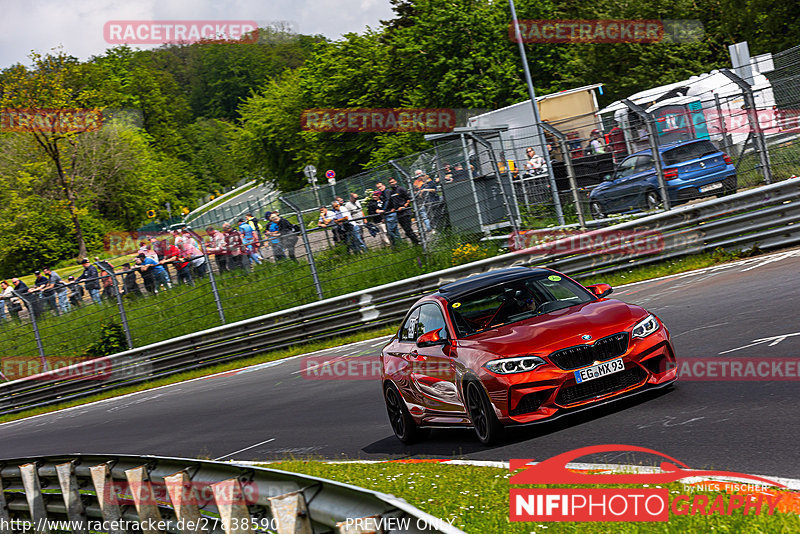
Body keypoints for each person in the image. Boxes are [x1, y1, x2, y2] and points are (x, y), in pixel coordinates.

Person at [385, 178, 420, 246]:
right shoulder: (391, 192)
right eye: (390, 183)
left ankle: (417, 242)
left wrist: (404, 206)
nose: (392, 183)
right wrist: (390, 209)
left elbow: (408, 199)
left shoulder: (401, 189)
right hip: (398, 213)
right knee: (406, 230)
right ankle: (415, 242)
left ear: (396, 181)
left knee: (408, 229)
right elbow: (390, 203)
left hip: (405, 212)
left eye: (393, 182)